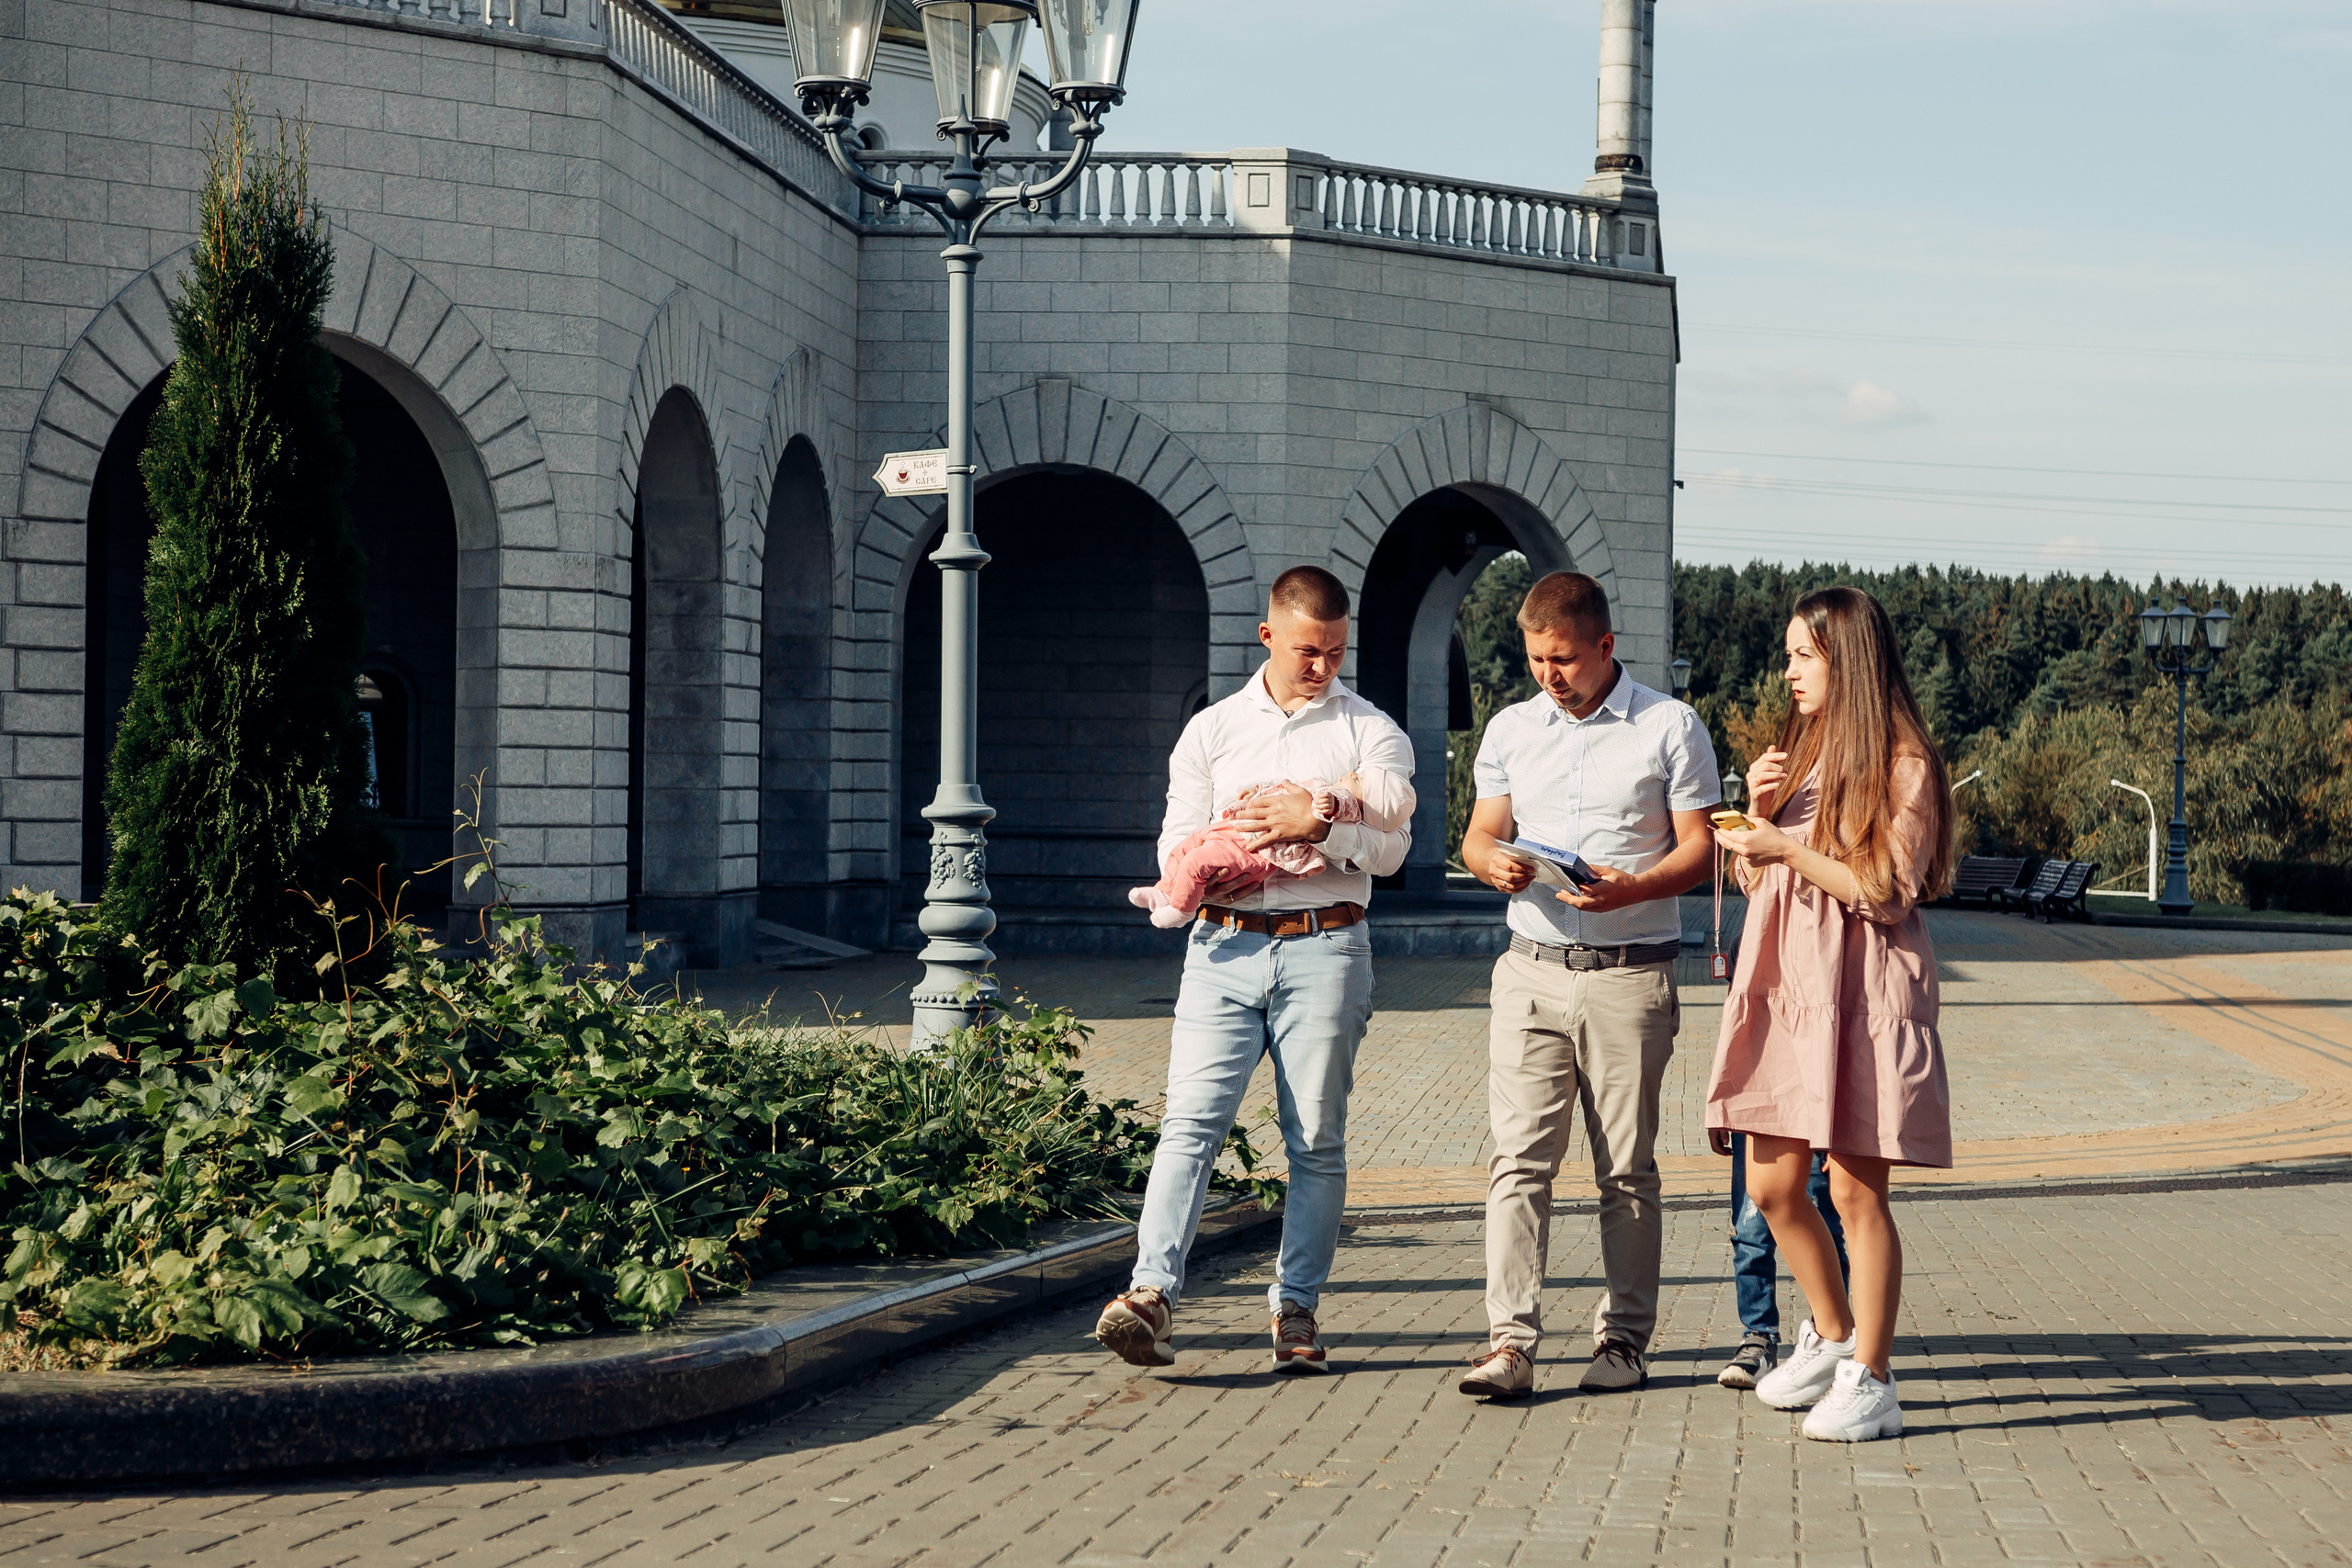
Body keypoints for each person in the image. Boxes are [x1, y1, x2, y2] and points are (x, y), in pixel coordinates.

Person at [1093, 565, 1413, 1375]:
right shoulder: (1212, 730)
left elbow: (1395, 849)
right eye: (1310, 649)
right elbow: (1174, 843)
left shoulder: (1371, 732)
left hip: (1327, 945)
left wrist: (1326, 823)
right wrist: (1210, 864)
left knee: (1314, 1140)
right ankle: (1150, 1294)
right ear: (1268, 636)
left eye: (1337, 651)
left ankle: (1296, 1312)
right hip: (1223, 948)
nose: (1324, 666)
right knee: (1190, 1124)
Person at [1455, 571, 1721, 1400]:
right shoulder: (1509, 728)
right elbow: (1478, 833)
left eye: (1564, 659)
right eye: (1536, 659)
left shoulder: (1670, 726)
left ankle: (1623, 1341)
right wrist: (1487, 861)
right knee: (1517, 1163)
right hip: (1528, 971)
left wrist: (1630, 889)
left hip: (1630, 977)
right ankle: (1510, 1345)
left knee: (1626, 1170)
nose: (1549, 675)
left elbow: (1700, 851)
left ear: (1606, 647)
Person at [1705, 585, 1954, 1442]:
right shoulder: (1805, 752)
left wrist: (1785, 845)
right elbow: (1760, 878)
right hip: (1787, 991)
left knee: (1852, 1189)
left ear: (1844, 658)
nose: (1789, 671)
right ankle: (1833, 1332)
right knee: (1772, 1184)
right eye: (1787, 656)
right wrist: (1760, 818)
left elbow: (1884, 890)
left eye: (1802, 656)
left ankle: (1873, 1377)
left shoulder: (1905, 763)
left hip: (1861, 991)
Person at [1129, 769, 1415, 928]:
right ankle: (1164, 891)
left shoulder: (1344, 801)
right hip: (1235, 834)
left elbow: (1340, 807)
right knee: (1186, 846)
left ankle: (1181, 910)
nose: (1354, 772)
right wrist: (1253, 797)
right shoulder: (1210, 723)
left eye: (1361, 779)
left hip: (1254, 849)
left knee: (1195, 861)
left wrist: (1325, 810)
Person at [1717, 1134, 1847, 1389]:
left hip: (1811, 1116)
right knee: (1750, 1234)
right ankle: (1758, 1337)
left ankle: (1830, 1336)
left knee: (1823, 1229)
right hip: (1753, 1114)